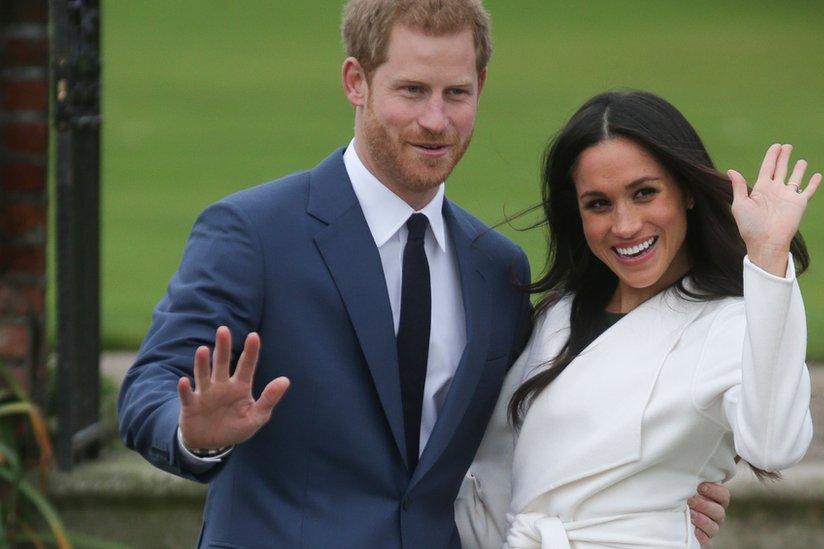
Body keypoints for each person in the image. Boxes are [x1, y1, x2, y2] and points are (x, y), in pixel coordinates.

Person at [117, 2, 730, 547]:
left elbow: (531, 431)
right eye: (412, 91)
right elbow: (150, 386)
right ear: (356, 81)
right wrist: (197, 435)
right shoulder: (254, 232)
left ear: (481, 86)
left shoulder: (498, 268)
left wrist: (655, 491)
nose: (436, 121)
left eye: (456, 93)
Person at [455, 90, 819, 548]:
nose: (625, 226)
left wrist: (768, 256)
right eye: (599, 204)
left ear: (685, 190)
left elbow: (775, 446)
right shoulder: (558, 315)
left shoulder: (731, 323)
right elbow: (499, 473)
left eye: (644, 193)